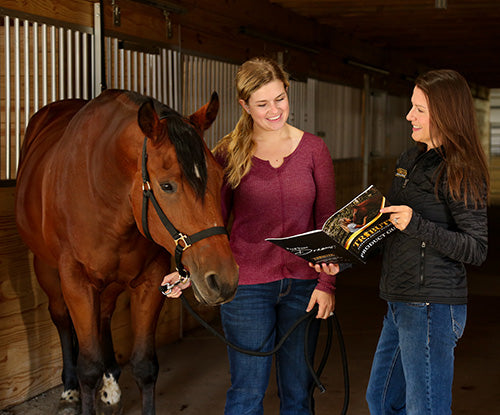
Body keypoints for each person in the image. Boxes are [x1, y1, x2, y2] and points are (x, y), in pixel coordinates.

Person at [161, 56, 339, 414]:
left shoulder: (314, 150)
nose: (275, 110)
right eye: (262, 104)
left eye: (280, 99)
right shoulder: (227, 154)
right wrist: (186, 270)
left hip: (304, 287)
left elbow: (328, 224)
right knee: (246, 391)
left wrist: (326, 285)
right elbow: (211, 220)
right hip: (249, 288)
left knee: (298, 392)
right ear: (244, 105)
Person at [363, 69, 489, 415]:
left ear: (445, 114)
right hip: (400, 301)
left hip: (432, 306)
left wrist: (417, 225)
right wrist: (341, 253)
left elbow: (476, 248)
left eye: (419, 109)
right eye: (411, 106)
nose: (409, 116)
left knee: (426, 409)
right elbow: (389, 224)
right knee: (382, 399)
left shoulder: (462, 168)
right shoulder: (409, 160)